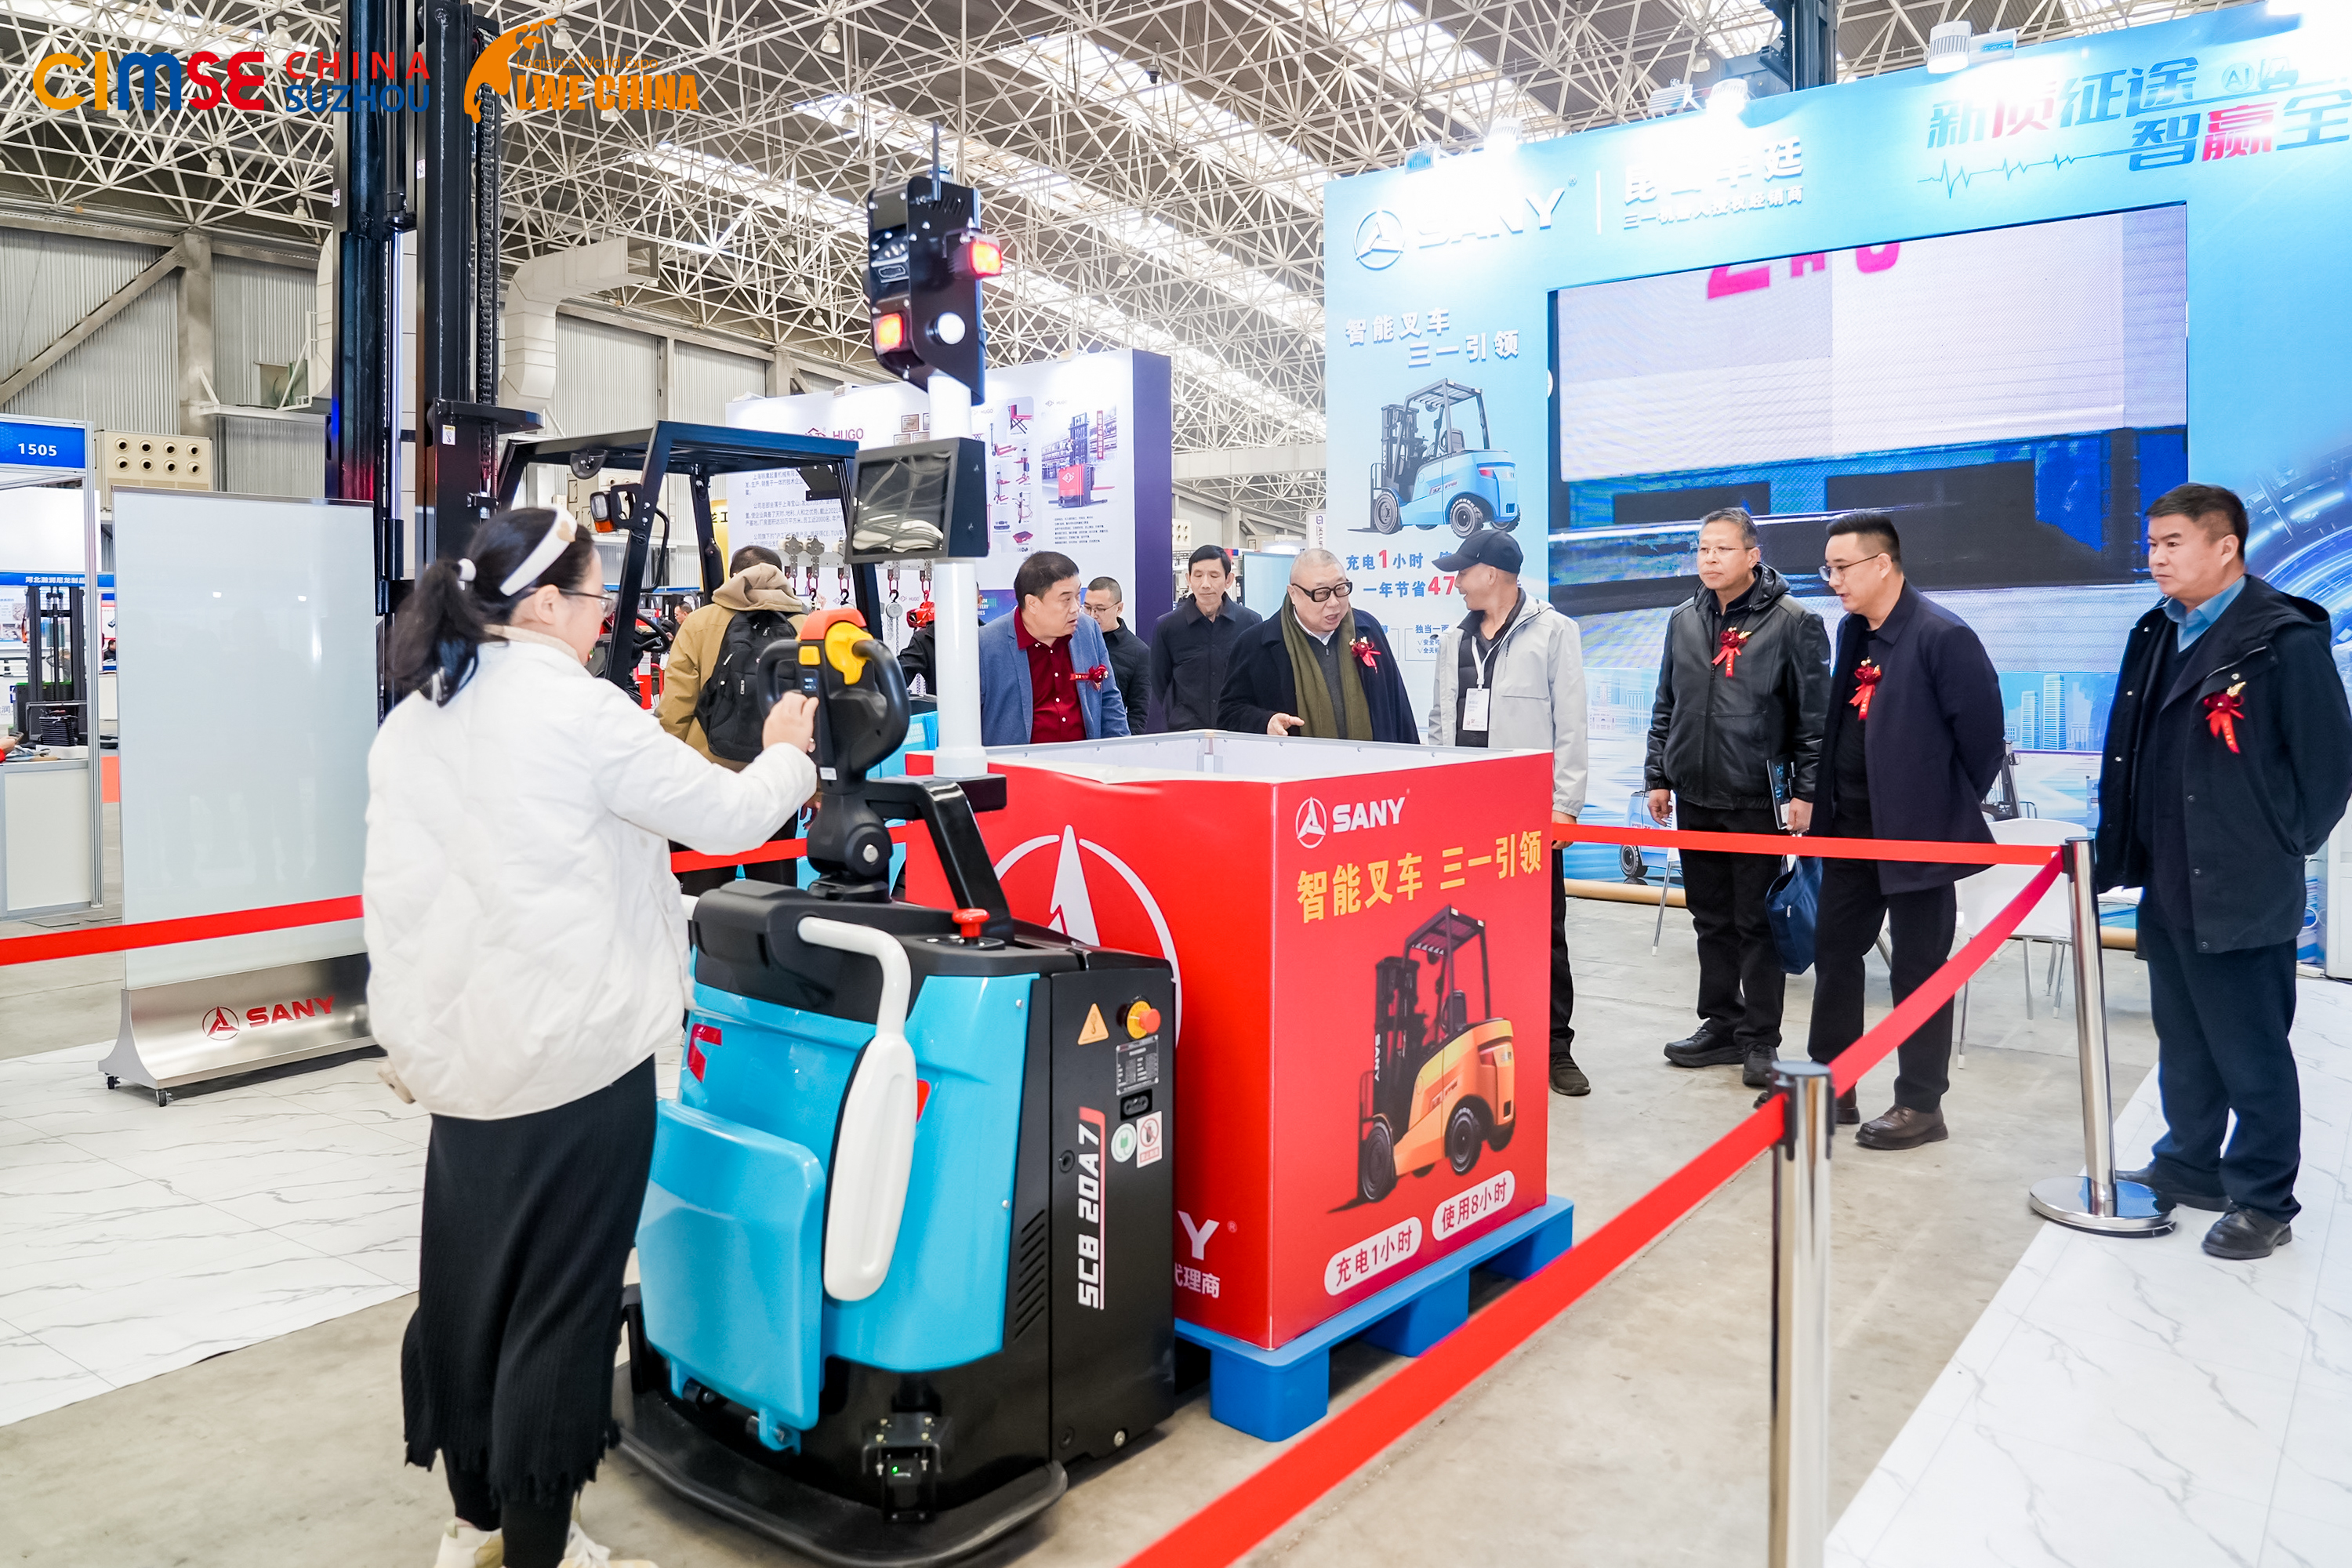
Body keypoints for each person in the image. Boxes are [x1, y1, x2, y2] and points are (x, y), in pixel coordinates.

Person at [365, 509, 819, 1568]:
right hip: (573, 1062)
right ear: (541, 605)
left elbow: (396, 894)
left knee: (470, 1294)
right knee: (560, 1310)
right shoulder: (578, 709)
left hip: (461, 1066)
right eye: (592, 597)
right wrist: (787, 756)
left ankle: (476, 1526)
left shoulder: (419, 715)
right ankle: (542, 1549)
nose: (602, 616)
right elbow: (724, 817)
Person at [2094, 483, 2352, 1260]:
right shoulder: (2158, 630)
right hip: (2168, 873)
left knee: (2250, 1046)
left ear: (2226, 545)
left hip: (2242, 879)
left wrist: (2275, 842)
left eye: (2172, 542)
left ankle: (2265, 1198)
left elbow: (2328, 768)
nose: (2157, 557)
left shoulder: (2281, 639)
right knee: (2185, 1037)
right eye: (2152, 544)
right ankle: (2190, 1162)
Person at [1798, 513, 2003, 1149]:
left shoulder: (1943, 637)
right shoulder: (1854, 631)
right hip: (1850, 830)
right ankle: (1832, 1084)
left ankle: (1920, 1104)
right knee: (1835, 954)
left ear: (1883, 564)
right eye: (1828, 569)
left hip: (1916, 835)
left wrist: (1933, 806)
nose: (1833, 581)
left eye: (1842, 568)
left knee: (1918, 970)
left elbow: (1981, 745)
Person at [1646, 507, 1830, 1090]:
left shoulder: (1793, 621)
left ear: (1753, 556)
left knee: (1756, 922)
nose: (1710, 559)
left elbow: (1815, 721)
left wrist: (1806, 793)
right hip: (1695, 794)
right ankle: (1722, 1024)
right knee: (1710, 919)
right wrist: (1658, 776)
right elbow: (1666, 704)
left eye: (1723, 549)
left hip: (1756, 799)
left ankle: (1760, 1038)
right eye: (1703, 548)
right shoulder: (1683, 619)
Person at [1424, 529, 1592, 1095]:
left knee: (1543, 930)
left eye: (1463, 571)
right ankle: (1471, 1044)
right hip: (1464, 814)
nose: (1456, 582)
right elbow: (1439, 721)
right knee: (1467, 929)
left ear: (1492, 573)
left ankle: (1555, 1047)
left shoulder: (1554, 632)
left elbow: (1571, 724)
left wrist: (1565, 806)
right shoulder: (1454, 640)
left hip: (1526, 814)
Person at [658, 544, 811, 895]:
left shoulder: (699, 623)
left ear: (732, 577)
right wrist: (814, 787)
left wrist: (669, 775)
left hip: (707, 782)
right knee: (773, 895)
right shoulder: (805, 627)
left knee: (702, 896)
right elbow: (818, 712)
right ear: (782, 577)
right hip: (779, 779)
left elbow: (676, 709)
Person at [1219, 547, 1417, 743]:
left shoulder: (1367, 629)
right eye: (1321, 593)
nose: (1334, 603)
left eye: (1341, 589)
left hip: (1371, 761)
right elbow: (1229, 713)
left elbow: (1398, 705)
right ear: (1293, 594)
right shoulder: (1256, 644)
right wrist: (1265, 722)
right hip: (1295, 762)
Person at [977, 551, 1131, 745]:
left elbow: (1109, 699)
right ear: (1033, 604)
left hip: (1084, 759)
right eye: (1066, 599)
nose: (1076, 608)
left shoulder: (1088, 630)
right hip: (1016, 762)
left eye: (1078, 596)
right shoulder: (986, 645)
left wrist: (1121, 752)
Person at [1150, 544, 1261, 731]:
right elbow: (1160, 682)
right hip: (1186, 732)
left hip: (1235, 729)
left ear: (1229, 580)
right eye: (1198, 575)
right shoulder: (1167, 627)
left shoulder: (1250, 622)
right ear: (1189, 579)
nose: (1205, 584)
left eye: (1214, 575)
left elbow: (1255, 678)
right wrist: (1177, 715)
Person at [1085, 575, 1153, 726]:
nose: (1092, 615)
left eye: (1100, 609)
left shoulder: (1138, 652)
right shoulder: (1074, 642)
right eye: (1088, 608)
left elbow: (1138, 713)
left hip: (1113, 732)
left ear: (1119, 608)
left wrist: (1124, 739)